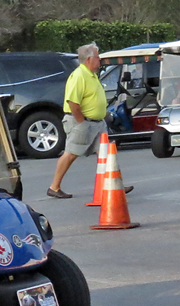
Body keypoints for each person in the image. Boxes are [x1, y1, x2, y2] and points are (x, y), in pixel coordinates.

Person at [47, 42, 131, 199]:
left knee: (106, 153)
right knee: (71, 153)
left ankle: (115, 184)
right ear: (88, 59)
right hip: (83, 122)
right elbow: (73, 102)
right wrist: (81, 122)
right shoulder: (79, 76)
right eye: (97, 58)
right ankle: (54, 186)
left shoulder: (92, 75)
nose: (100, 61)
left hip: (98, 123)